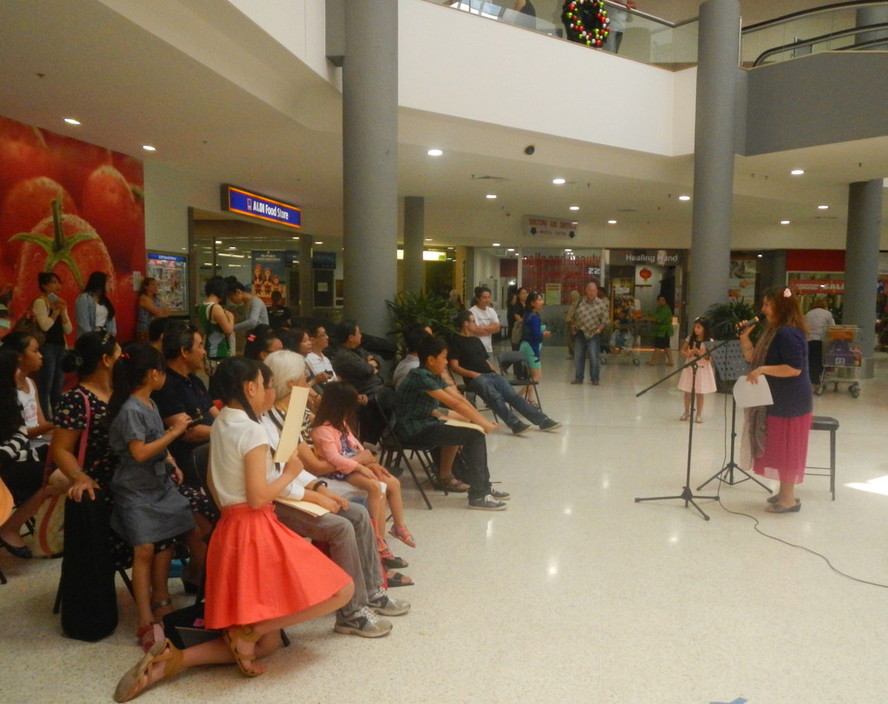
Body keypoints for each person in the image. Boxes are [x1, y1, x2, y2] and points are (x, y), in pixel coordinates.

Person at [112, 356, 353, 702]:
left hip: (230, 530)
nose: (271, 391)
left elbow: (212, 479)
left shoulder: (223, 420)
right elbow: (257, 498)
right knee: (340, 590)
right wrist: (287, 474)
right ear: (250, 388)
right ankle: (247, 630)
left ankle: (171, 660)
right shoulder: (252, 430)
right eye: (267, 385)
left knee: (266, 644)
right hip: (255, 529)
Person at [262, 350, 410, 636]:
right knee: (342, 525)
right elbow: (278, 475)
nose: (309, 385)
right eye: (305, 379)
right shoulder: (270, 422)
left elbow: (296, 467)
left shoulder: (289, 415)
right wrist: (317, 494)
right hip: (276, 499)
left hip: (295, 489)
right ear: (292, 384)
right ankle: (351, 613)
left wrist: (317, 488)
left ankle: (372, 591)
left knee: (358, 514)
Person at [107, 342, 198, 652]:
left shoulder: (149, 403)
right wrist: (175, 432)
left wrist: (171, 459)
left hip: (158, 485)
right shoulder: (132, 408)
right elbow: (140, 451)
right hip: (135, 489)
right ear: (152, 374)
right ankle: (145, 617)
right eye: (161, 371)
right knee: (144, 548)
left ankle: (163, 600)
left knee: (169, 537)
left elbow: (157, 442)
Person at [395, 336, 509, 511]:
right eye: (444, 357)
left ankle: (483, 484)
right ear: (431, 359)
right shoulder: (420, 376)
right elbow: (454, 404)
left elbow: (458, 399)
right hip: (414, 429)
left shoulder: (431, 374)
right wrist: (483, 425)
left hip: (426, 422)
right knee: (475, 435)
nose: (447, 362)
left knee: (468, 428)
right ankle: (479, 494)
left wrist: (482, 420)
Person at [51, 332, 132, 570]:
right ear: (106, 360)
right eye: (120, 355)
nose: (124, 360)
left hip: (128, 478)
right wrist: (80, 477)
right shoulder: (77, 399)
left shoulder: (119, 392)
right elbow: (61, 449)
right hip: (102, 485)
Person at [311, 381, 415, 555]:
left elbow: (356, 445)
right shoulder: (322, 430)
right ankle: (374, 534)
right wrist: (360, 466)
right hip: (340, 471)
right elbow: (335, 459)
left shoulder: (341, 423)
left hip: (352, 465)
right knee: (375, 486)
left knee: (393, 483)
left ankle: (399, 526)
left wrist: (372, 463)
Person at [740, 287, 813, 514]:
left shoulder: (787, 333)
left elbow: (793, 369)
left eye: (767, 305)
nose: (762, 310)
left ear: (781, 307)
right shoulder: (773, 331)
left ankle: (788, 501)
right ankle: (783, 494)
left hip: (790, 403)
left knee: (787, 450)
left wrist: (763, 370)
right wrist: (745, 338)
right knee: (779, 448)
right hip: (778, 400)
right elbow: (753, 358)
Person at [449, 310, 560, 435]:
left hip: (490, 374)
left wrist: (495, 371)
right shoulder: (455, 342)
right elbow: (454, 367)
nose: (477, 324)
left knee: (512, 395)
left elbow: (485, 360)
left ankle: (542, 421)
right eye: (474, 321)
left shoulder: (476, 341)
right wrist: (473, 374)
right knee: (495, 397)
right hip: (475, 378)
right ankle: (514, 423)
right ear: (466, 324)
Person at [0, 339, 55, 559]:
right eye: (35, 350)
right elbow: (19, 434)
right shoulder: (6, 394)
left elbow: (39, 423)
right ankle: (12, 526)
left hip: (29, 447)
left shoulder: (29, 384)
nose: (41, 355)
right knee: (58, 476)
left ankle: (52, 533)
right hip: (12, 457)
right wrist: (56, 425)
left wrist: (55, 436)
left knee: (69, 461)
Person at [331, 321, 393, 445]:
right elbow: (367, 369)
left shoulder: (358, 350)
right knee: (389, 398)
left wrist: (372, 364)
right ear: (351, 337)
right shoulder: (343, 356)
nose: (361, 336)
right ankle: (382, 439)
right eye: (359, 333)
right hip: (366, 393)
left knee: (391, 392)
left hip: (377, 389)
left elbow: (379, 358)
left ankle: (385, 436)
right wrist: (371, 366)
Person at [32, 272, 72, 416]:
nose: (57, 286)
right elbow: (45, 326)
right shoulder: (40, 302)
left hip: (61, 346)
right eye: (53, 282)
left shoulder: (60, 303)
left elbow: (68, 330)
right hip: (46, 347)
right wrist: (55, 312)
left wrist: (63, 312)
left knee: (58, 385)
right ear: (44, 285)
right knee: (46, 384)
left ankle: (58, 416)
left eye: (58, 282)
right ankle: (45, 419)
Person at [677, 317, 716, 423]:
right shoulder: (690, 338)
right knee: (687, 391)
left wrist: (702, 355)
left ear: (705, 328)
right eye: (695, 327)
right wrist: (688, 353)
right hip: (690, 366)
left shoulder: (710, 341)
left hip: (702, 368)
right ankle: (686, 411)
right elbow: (682, 351)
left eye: (699, 327)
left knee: (700, 392)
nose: (696, 329)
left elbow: (711, 359)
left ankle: (698, 414)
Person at [571, 280, 609, 385]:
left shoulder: (601, 304)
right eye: (589, 290)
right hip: (580, 332)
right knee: (578, 356)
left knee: (594, 357)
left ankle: (595, 379)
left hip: (594, 333)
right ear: (586, 291)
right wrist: (573, 327)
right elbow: (572, 316)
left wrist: (599, 329)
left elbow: (605, 320)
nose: (591, 292)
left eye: (594, 290)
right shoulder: (579, 302)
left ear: (597, 291)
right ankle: (578, 378)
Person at [519, 290, 551, 401]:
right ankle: (517, 398)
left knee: (531, 376)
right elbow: (536, 335)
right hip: (531, 348)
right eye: (539, 300)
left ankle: (530, 399)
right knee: (537, 377)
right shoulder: (534, 317)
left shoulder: (529, 314)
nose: (542, 302)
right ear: (532, 303)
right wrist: (544, 333)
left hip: (526, 346)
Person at [197, 276, 235, 365]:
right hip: (219, 350)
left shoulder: (202, 306)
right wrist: (231, 318)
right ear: (222, 292)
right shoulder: (216, 308)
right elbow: (229, 330)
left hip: (209, 348)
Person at [75, 271, 116, 338]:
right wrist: (94, 339)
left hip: (104, 337)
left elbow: (111, 322)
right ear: (100, 283)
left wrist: (111, 337)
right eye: (108, 282)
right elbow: (83, 324)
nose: (110, 285)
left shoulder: (105, 301)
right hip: (89, 339)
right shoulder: (84, 298)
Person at [804, 298, 835, 385]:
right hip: (820, 339)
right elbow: (832, 327)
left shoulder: (808, 314)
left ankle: (810, 379)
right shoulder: (827, 313)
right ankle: (817, 380)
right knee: (819, 360)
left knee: (810, 360)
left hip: (808, 340)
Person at [468, 286, 501, 361]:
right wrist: (490, 329)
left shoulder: (491, 311)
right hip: (476, 349)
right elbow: (475, 330)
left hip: (488, 349)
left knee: (490, 370)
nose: (487, 300)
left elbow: (498, 328)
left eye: (489, 297)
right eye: (484, 297)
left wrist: (482, 328)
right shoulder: (472, 311)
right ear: (477, 298)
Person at [136, 277, 171, 342]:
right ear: (146, 287)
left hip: (156, 328)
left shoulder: (157, 298)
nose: (155, 286)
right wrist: (161, 312)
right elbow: (157, 312)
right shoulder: (144, 298)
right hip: (146, 330)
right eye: (152, 285)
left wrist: (160, 313)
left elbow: (168, 311)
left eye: (156, 284)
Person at [646, 295, 674, 366]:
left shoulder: (666, 309)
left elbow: (658, 319)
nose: (661, 301)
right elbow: (655, 316)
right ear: (657, 301)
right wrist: (649, 315)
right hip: (661, 331)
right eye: (660, 300)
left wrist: (646, 319)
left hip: (663, 331)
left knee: (658, 346)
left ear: (665, 301)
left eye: (663, 300)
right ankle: (670, 361)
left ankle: (654, 361)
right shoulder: (659, 308)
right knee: (666, 346)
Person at [565, 289, 581, 360]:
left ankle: (576, 355)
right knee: (570, 340)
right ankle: (572, 354)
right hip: (569, 323)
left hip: (573, 324)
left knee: (574, 340)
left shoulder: (578, 304)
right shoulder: (573, 303)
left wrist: (573, 325)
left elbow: (576, 315)